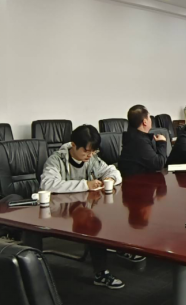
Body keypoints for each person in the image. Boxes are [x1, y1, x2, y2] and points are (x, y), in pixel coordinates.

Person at [40, 124, 143, 289]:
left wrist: (110, 179)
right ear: (73, 145)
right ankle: (101, 273)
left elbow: (113, 171)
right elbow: (48, 184)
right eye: (86, 151)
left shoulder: (92, 159)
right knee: (93, 230)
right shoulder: (56, 160)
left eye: (93, 151)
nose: (89, 155)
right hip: (60, 212)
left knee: (107, 219)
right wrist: (85, 184)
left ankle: (119, 248)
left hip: (83, 206)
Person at [118, 105, 167, 177]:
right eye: (149, 117)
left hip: (142, 179)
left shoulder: (134, 137)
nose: (151, 120)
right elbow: (159, 164)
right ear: (145, 122)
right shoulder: (138, 141)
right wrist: (162, 142)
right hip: (137, 182)